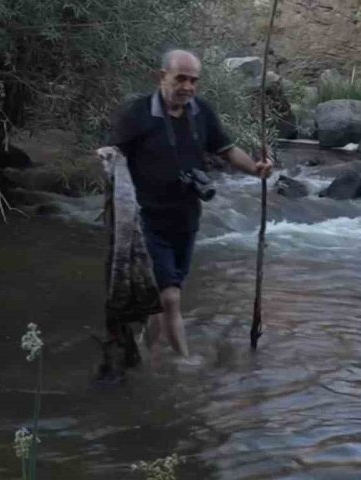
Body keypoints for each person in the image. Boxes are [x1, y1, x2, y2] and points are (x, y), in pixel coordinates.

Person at [106, 49, 273, 358]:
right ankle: (185, 362)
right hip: (147, 220)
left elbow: (227, 150)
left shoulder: (201, 112)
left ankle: (147, 357)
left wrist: (255, 169)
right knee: (170, 297)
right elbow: (113, 152)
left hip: (186, 218)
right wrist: (106, 157)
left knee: (163, 298)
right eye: (180, 78)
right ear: (161, 77)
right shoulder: (138, 113)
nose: (187, 87)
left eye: (193, 80)